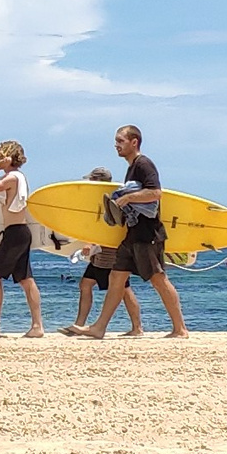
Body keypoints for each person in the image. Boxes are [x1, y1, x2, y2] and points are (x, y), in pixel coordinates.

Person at [88, 124, 189, 340]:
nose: (116, 145)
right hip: (132, 233)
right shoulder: (131, 167)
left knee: (158, 279)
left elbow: (155, 193)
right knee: (116, 277)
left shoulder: (144, 164)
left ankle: (180, 329)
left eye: (120, 141)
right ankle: (99, 328)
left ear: (134, 142)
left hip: (147, 234)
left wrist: (127, 198)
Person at [0, 138, 44, 338]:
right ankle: (37, 326)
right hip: (19, 232)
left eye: (0, 156)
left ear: (7, 157)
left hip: (15, 234)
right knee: (25, 279)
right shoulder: (18, 177)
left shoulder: (12, 178)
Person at [61, 166, 143, 337]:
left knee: (124, 290)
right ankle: (79, 324)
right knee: (86, 284)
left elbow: (108, 227)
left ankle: (137, 328)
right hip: (100, 255)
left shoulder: (112, 199)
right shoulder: (102, 199)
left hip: (111, 254)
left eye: (92, 180)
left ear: (98, 181)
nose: (89, 183)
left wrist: (91, 243)